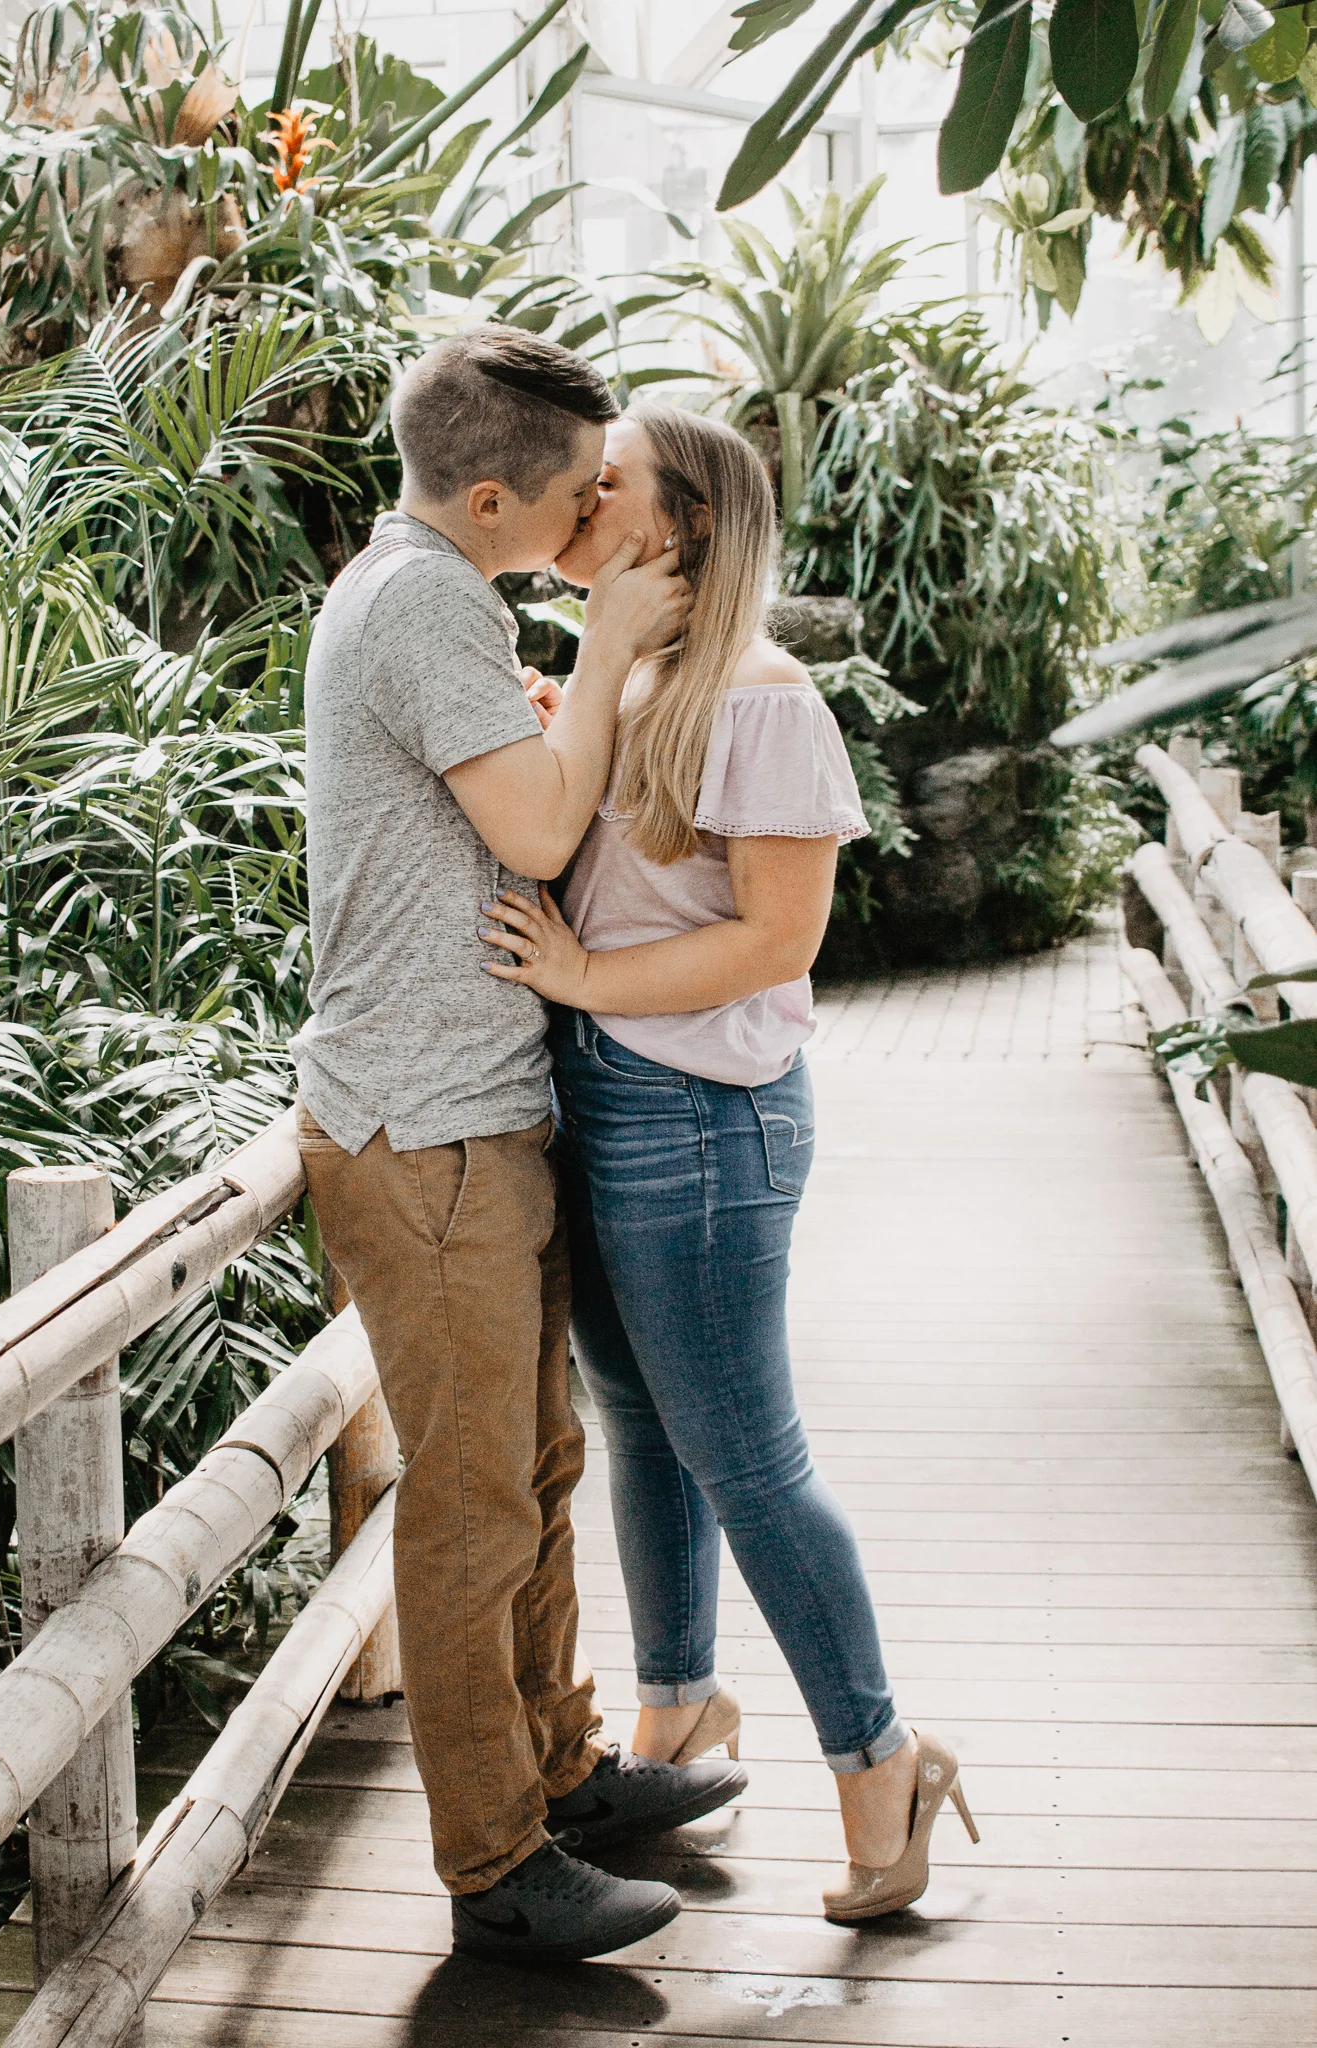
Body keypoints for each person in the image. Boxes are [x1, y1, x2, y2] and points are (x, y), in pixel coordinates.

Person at [477, 402, 981, 1924]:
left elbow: (776, 940)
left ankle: (882, 1758)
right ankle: (680, 1710)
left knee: (748, 1460)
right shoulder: (619, 682)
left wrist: (575, 982)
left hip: (702, 1117)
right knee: (642, 1420)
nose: (578, 497)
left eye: (608, 482)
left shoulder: (762, 699)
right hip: (614, 1098)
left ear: (680, 525)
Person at [291, 331, 748, 1967]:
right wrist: (617, 627)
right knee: (478, 1501)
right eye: (577, 502)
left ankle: (555, 1774)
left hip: (477, 1112)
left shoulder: (428, 593)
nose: (600, 526)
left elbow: (514, 806)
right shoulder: (421, 601)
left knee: (538, 1470)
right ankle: (496, 1867)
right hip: (426, 1128)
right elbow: (547, 834)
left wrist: (571, 677)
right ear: (493, 496)